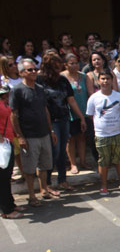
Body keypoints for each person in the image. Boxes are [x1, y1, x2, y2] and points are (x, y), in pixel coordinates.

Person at [9, 59, 57, 206]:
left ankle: (44, 190)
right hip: (29, 136)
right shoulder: (17, 90)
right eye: (30, 70)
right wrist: (20, 136)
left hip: (44, 133)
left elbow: (45, 110)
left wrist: (51, 130)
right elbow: (14, 115)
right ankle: (31, 195)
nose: (34, 72)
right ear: (22, 72)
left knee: (44, 165)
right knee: (29, 168)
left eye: (35, 69)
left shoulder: (40, 88)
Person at [37, 53, 87, 192]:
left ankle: (62, 180)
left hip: (64, 119)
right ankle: (46, 184)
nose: (58, 67)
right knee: (53, 152)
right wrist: (49, 125)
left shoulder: (63, 80)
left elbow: (71, 100)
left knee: (61, 152)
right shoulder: (40, 80)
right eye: (55, 65)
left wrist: (81, 117)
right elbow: (42, 104)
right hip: (50, 121)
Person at [86, 70, 120, 195]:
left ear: (112, 81)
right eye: (102, 79)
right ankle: (104, 186)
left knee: (119, 160)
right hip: (102, 135)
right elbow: (91, 115)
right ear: (98, 81)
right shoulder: (93, 98)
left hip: (117, 133)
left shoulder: (119, 97)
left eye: (108, 79)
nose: (105, 81)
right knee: (103, 161)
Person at [61, 54, 91, 174]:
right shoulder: (62, 77)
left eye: (76, 62)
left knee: (82, 137)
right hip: (69, 112)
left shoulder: (84, 76)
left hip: (83, 110)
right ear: (66, 64)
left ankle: (83, 161)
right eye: (71, 63)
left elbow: (89, 93)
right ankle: (73, 164)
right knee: (71, 139)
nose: (74, 65)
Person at [0, 85, 25, 218]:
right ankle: (7, 210)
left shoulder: (4, 103)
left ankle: (10, 204)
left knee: (6, 177)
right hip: (2, 144)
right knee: (3, 178)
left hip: (8, 142)